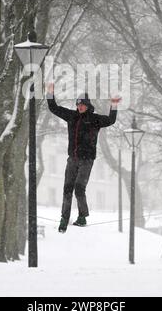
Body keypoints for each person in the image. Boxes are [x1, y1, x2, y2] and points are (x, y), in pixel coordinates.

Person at [46, 83, 122, 233]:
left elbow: (111, 120)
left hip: (87, 160)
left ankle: (82, 217)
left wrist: (113, 105)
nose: (79, 107)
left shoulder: (95, 119)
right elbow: (54, 108)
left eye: (82, 105)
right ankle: (64, 218)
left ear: (87, 106)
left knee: (79, 188)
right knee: (67, 189)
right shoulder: (72, 116)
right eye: (77, 105)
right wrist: (50, 93)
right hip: (72, 159)